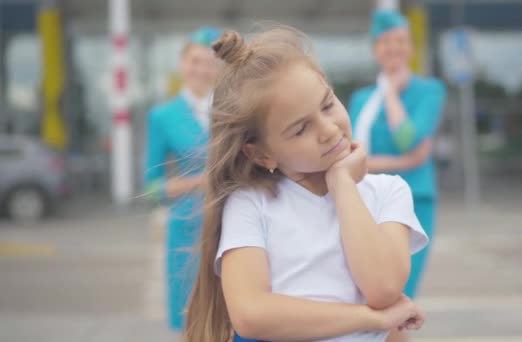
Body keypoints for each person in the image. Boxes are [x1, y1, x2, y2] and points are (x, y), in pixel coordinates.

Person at [185, 27, 430, 342]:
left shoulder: (388, 192)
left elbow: (383, 287)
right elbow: (251, 314)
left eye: (327, 105)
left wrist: (342, 184)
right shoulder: (250, 203)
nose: (328, 130)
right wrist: (370, 318)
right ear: (260, 153)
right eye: (300, 128)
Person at [349, 9, 446, 299]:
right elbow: (351, 155)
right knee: (366, 296)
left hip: (413, 203)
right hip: (366, 203)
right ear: (375, 49)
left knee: (398, 294)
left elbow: (406, 138)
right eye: (386, 42)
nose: (394, 48)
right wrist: (405, 162)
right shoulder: (362, 99)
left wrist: (391, 93)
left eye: (401, 41)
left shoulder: (429, 91)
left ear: (411, 48)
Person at [143, 26, 222, 331]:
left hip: (231, 220)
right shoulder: (163, 116)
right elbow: (151, 188)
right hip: (187, 230)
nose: (202, 69)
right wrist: (199, 182)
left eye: (210, 62)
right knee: (190, 320)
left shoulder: (232, 110)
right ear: (182, 64)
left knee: (233, 318)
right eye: (195, 61)